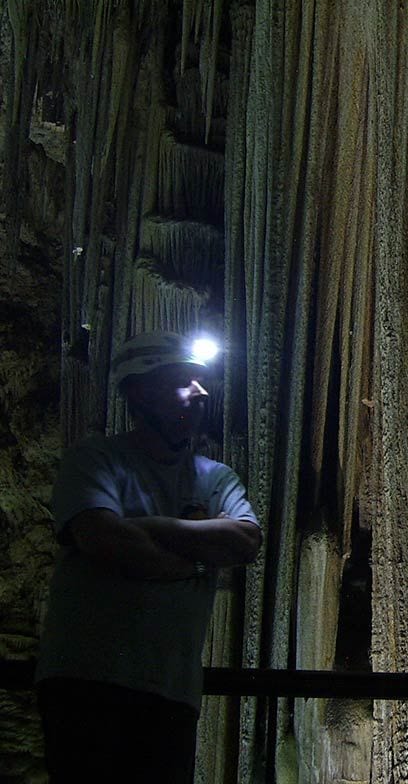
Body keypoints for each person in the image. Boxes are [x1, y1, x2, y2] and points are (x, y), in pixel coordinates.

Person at [35, 331, 262, 783]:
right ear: (138, 392)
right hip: (86, 681)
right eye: (183, 381)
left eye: (202, 381)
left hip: (171, 690)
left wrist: (150, 527)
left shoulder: (216, 477)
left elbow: (245, 542)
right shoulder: (95, 458)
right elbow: (102, 537)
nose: (201, 392)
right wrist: (194, 556)